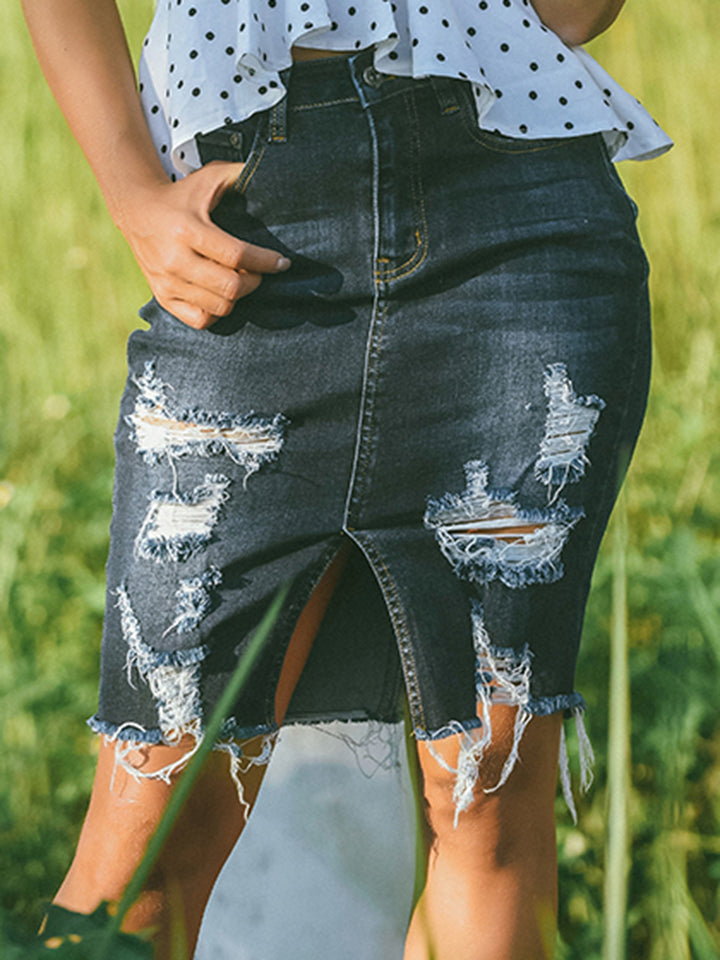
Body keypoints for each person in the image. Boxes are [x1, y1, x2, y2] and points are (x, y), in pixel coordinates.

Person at [22, 1, 671, 957]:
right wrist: (129, 193)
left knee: (485, 786)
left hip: (521, 212)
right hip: (247, 222)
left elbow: (574, 11)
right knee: (146, 830)